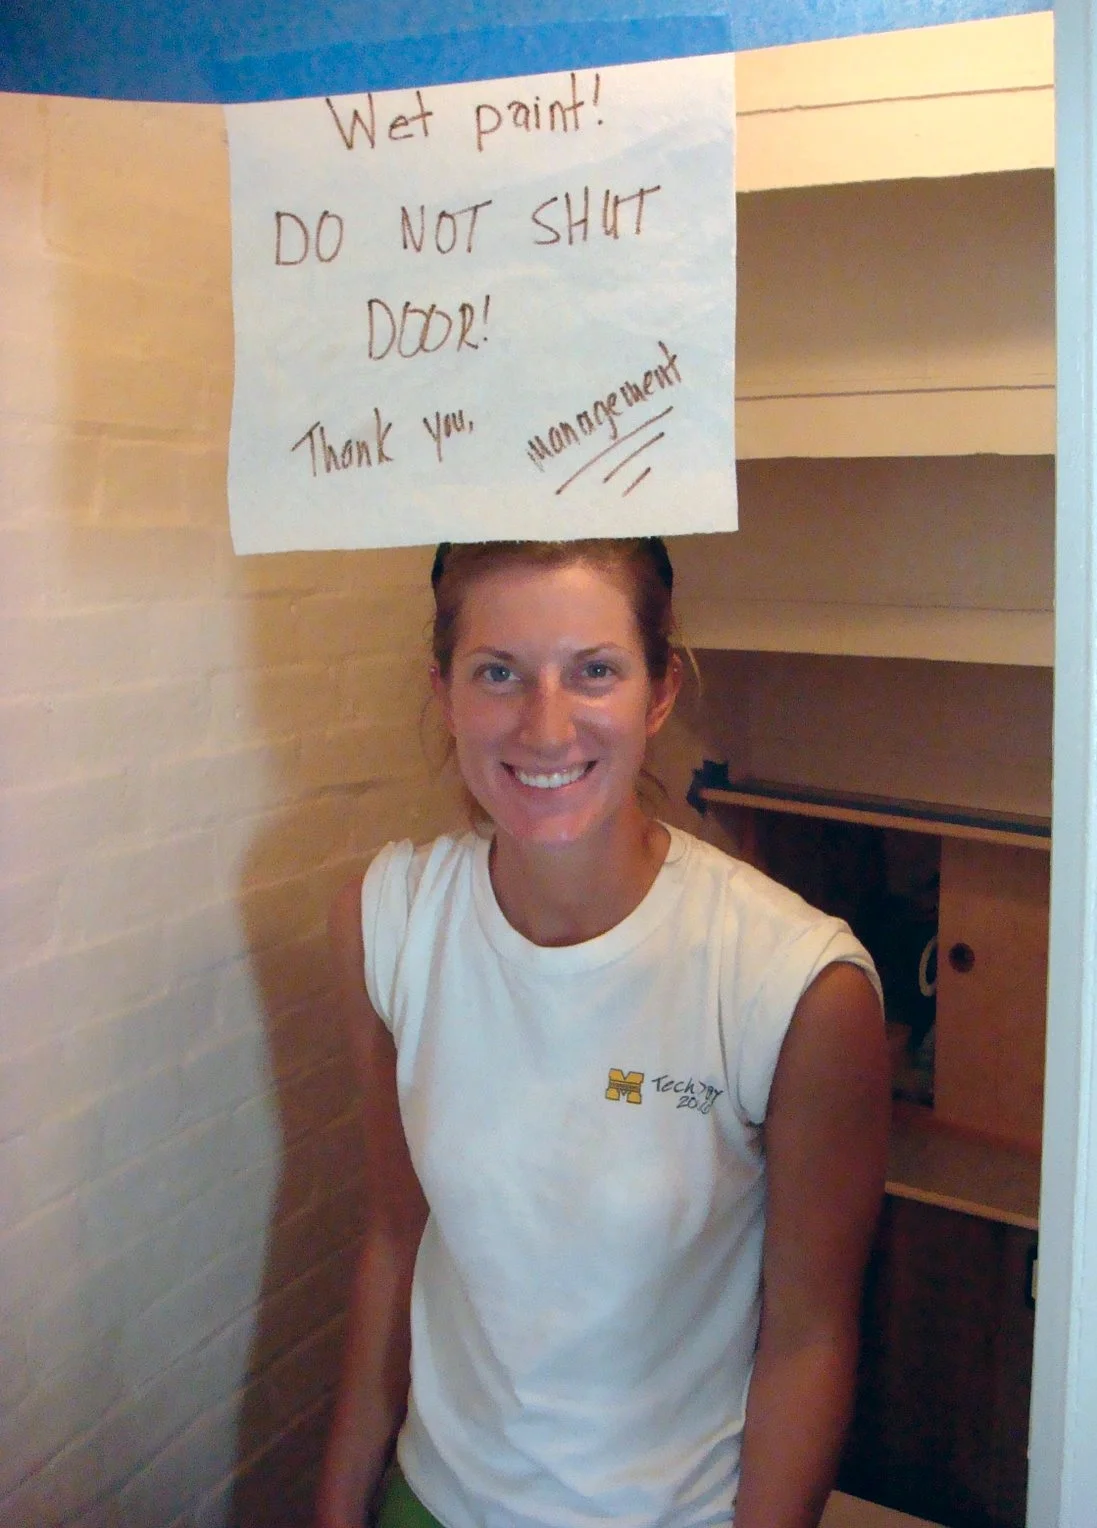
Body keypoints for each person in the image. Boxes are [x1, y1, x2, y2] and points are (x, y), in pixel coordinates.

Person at [315, 537, 890, 1528]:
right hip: (433, 1501)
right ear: (443, 690)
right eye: (497, 672)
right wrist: (334, 1508)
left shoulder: (793, 984)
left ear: (658, 691)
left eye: (593, 670)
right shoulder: (388, 924)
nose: (544, 727)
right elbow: (392, 1235)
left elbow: (808, 1336)